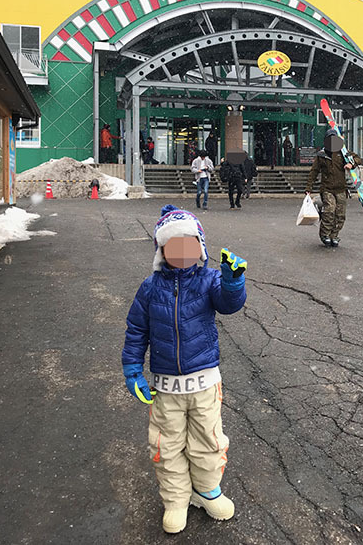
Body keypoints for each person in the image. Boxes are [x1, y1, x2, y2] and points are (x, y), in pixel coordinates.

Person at [122, 205, 247, 534]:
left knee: (208, 439)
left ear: (200, 247)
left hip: (205, 383)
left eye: (188, 244)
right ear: (161, 250)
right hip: (165, 389)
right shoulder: (150, 288)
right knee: (166, 445)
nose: (180, 252)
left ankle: (207, 490)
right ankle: (176, 499)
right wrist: (133, 369)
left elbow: (229, 304)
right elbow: (137, 331)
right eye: (172, 245)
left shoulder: (209, 280)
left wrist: (233, 281)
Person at [305, 129, 363, 247]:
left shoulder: (342, 152)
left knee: (340, 214)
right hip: (327, 188)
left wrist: (352, 164)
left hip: (341, 188)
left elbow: (358, 159)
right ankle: (325, 234)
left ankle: (334, 235)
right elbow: (314, 171)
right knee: (330, 210)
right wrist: (309, 187)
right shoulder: (321, 155)